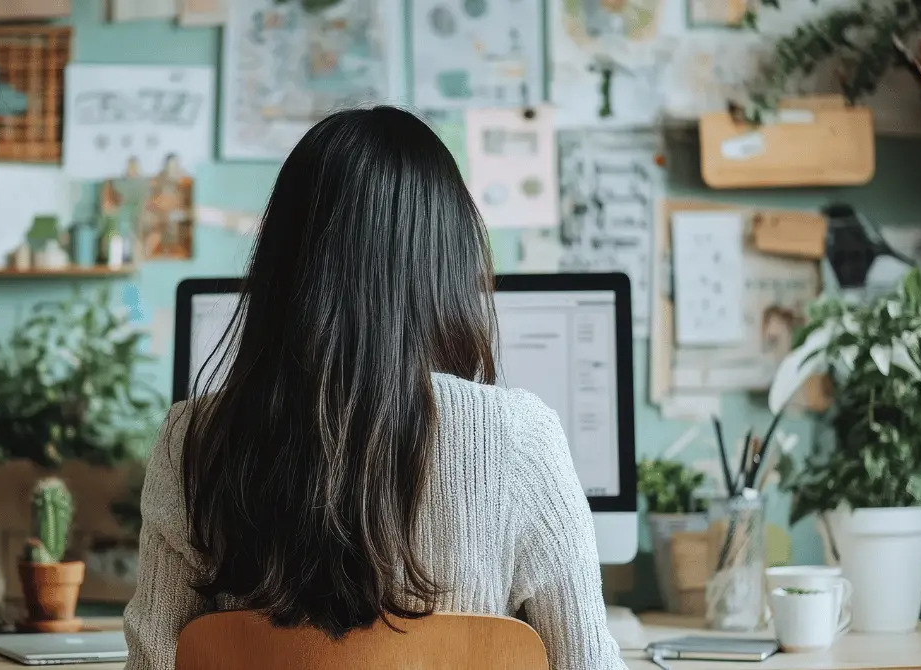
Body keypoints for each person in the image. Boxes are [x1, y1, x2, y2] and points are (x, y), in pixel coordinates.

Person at [124, 106, 626, 670]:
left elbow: (152, 663)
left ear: (282, 263)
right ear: (450, 261)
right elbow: (587, 663)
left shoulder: (193, 440)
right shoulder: (520, 438)